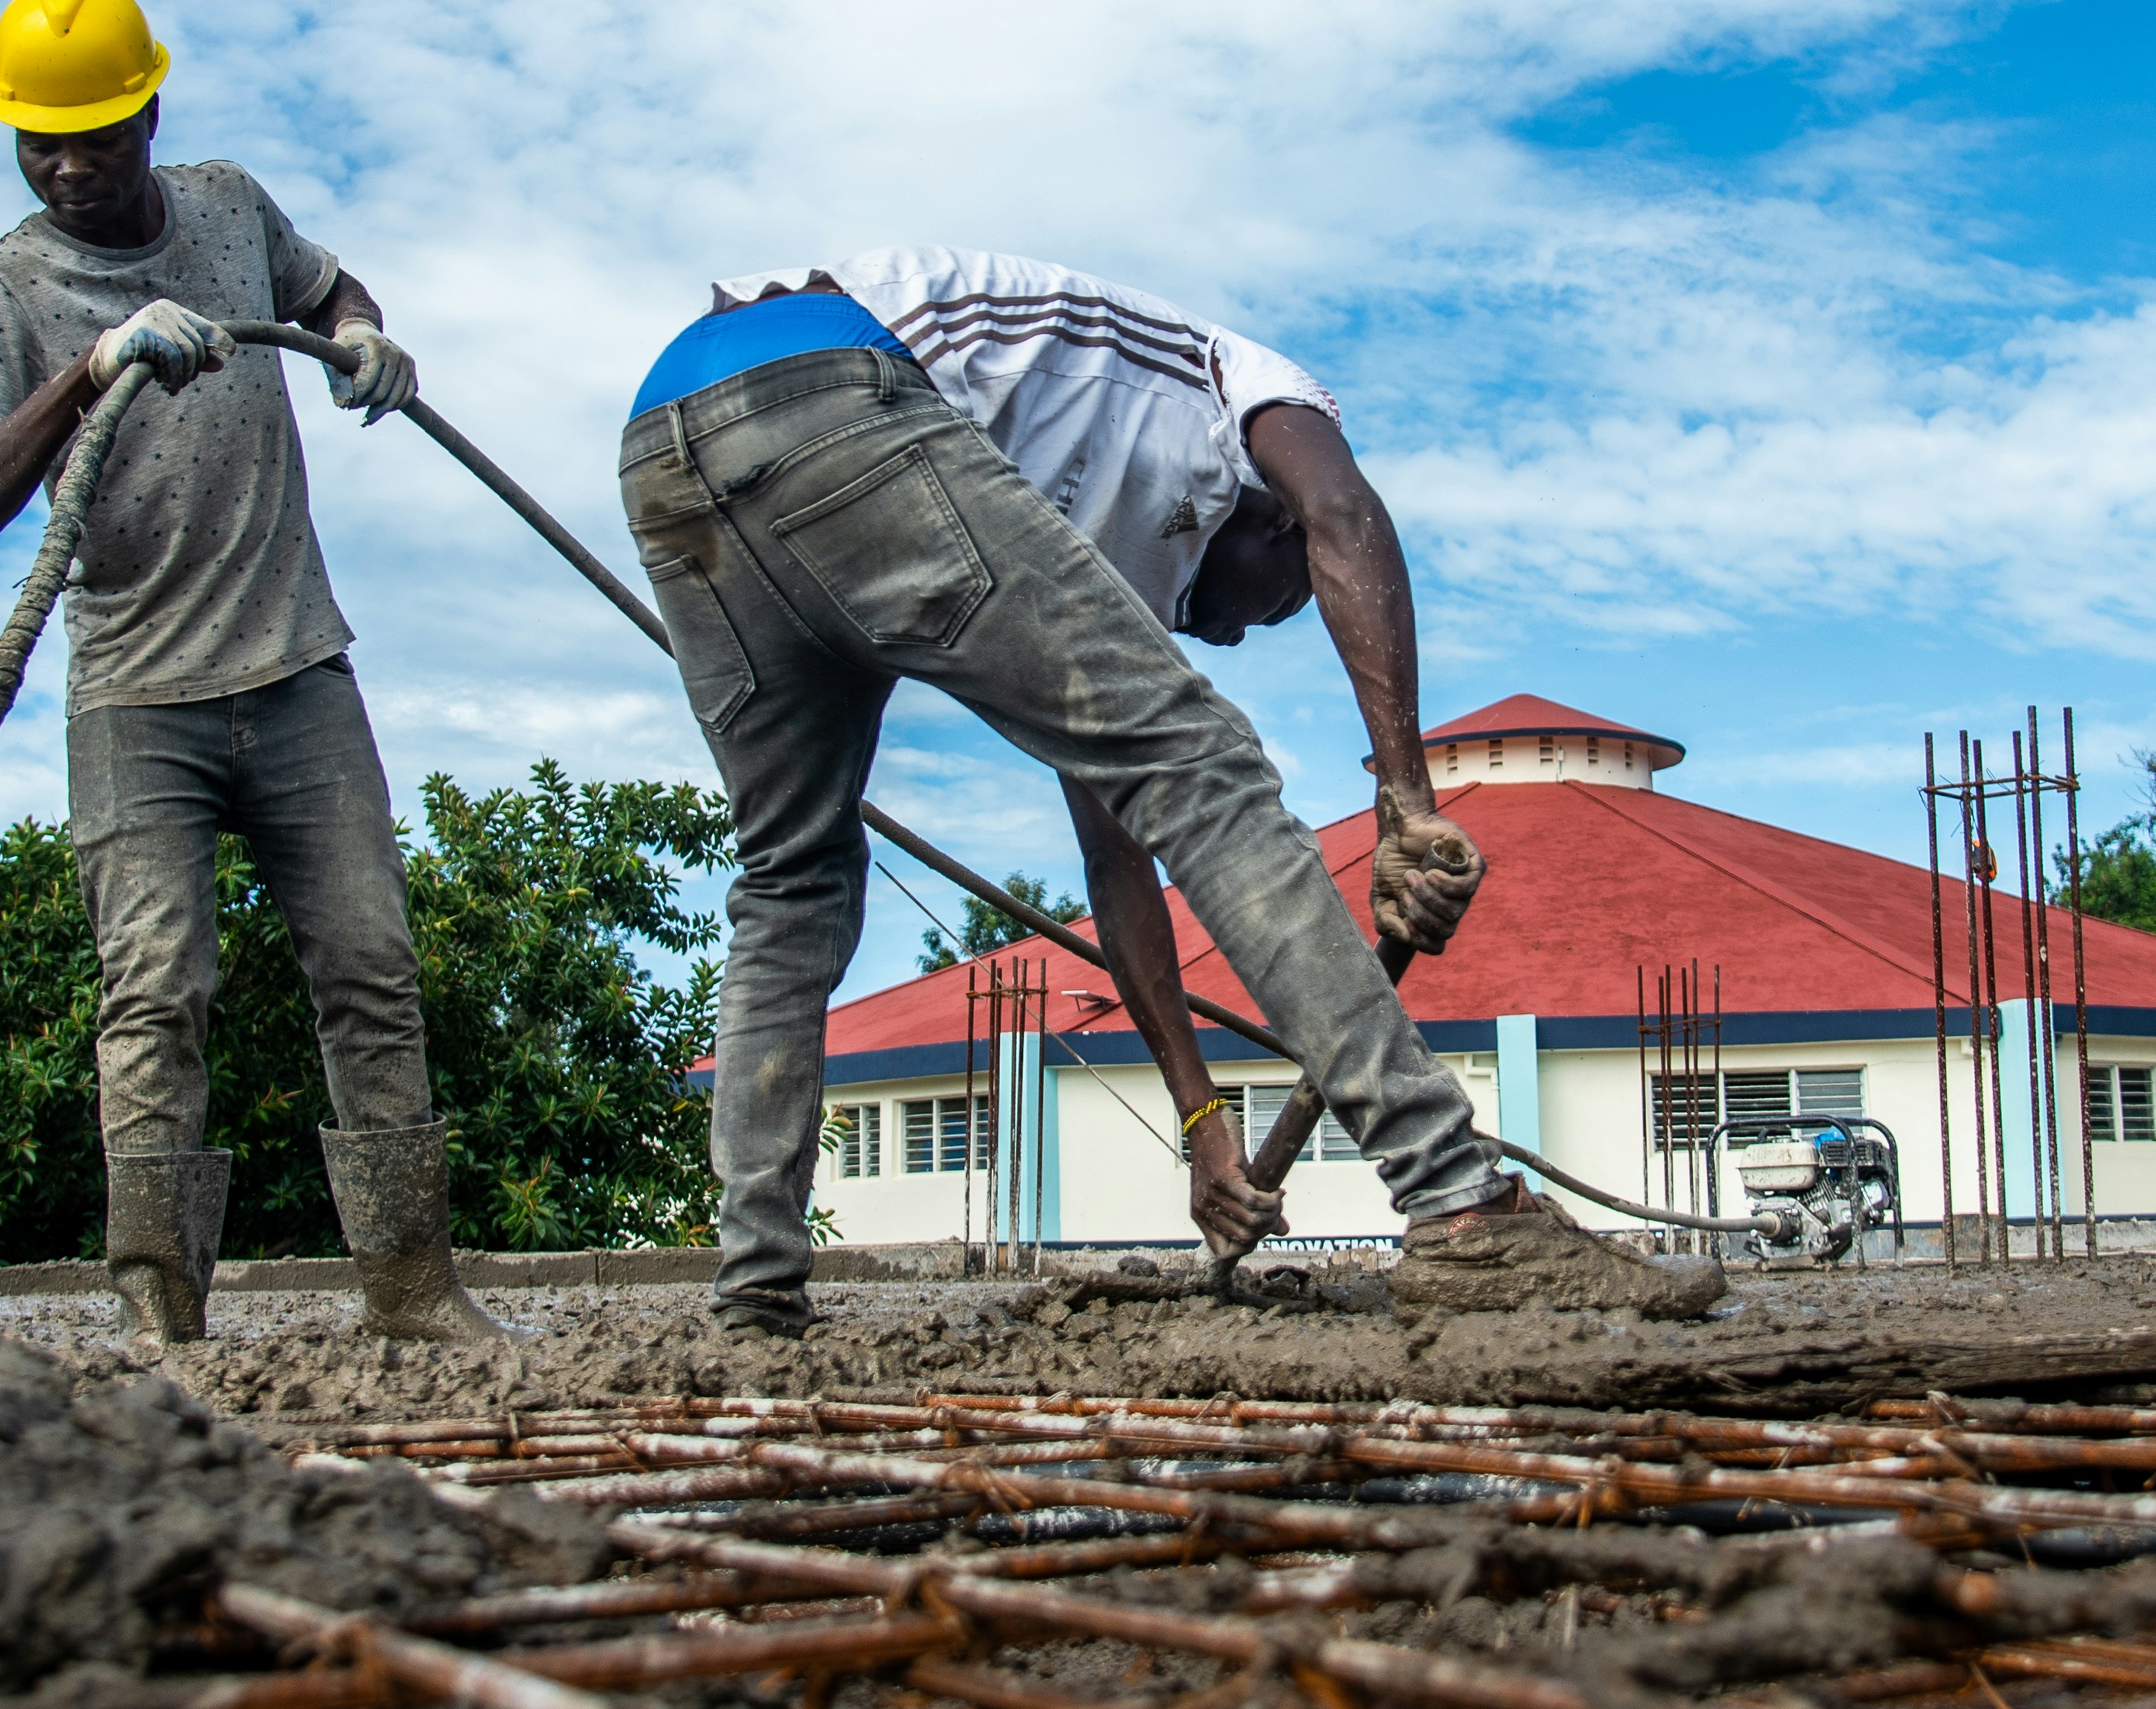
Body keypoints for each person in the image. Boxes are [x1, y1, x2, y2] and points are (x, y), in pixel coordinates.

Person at [620, 248, 1723, 1331]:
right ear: (1266, 517)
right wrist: (1404, 799)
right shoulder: (1250, 388)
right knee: (1212, 765)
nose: (1238, 629)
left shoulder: (1066, 550)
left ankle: (755, 1290)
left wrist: (1201, 1117)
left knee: (793, 874)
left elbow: (1119, 861)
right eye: (1276, 601)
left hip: (672, 435)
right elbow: (1349, 514)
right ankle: (1459, 1198)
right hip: (837, 390)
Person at [0, 0, 499, 1347]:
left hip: (298, 668)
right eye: (39, 140)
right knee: (157, 991)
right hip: (134, 696)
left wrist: (358, 329)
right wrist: (90, 368)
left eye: (98, 137)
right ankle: (162, 1311)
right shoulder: (1, 290)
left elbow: (322, 278)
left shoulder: (230, 205)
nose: (69, 166)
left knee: (370, 967)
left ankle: (414, 1290)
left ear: (151, 112)